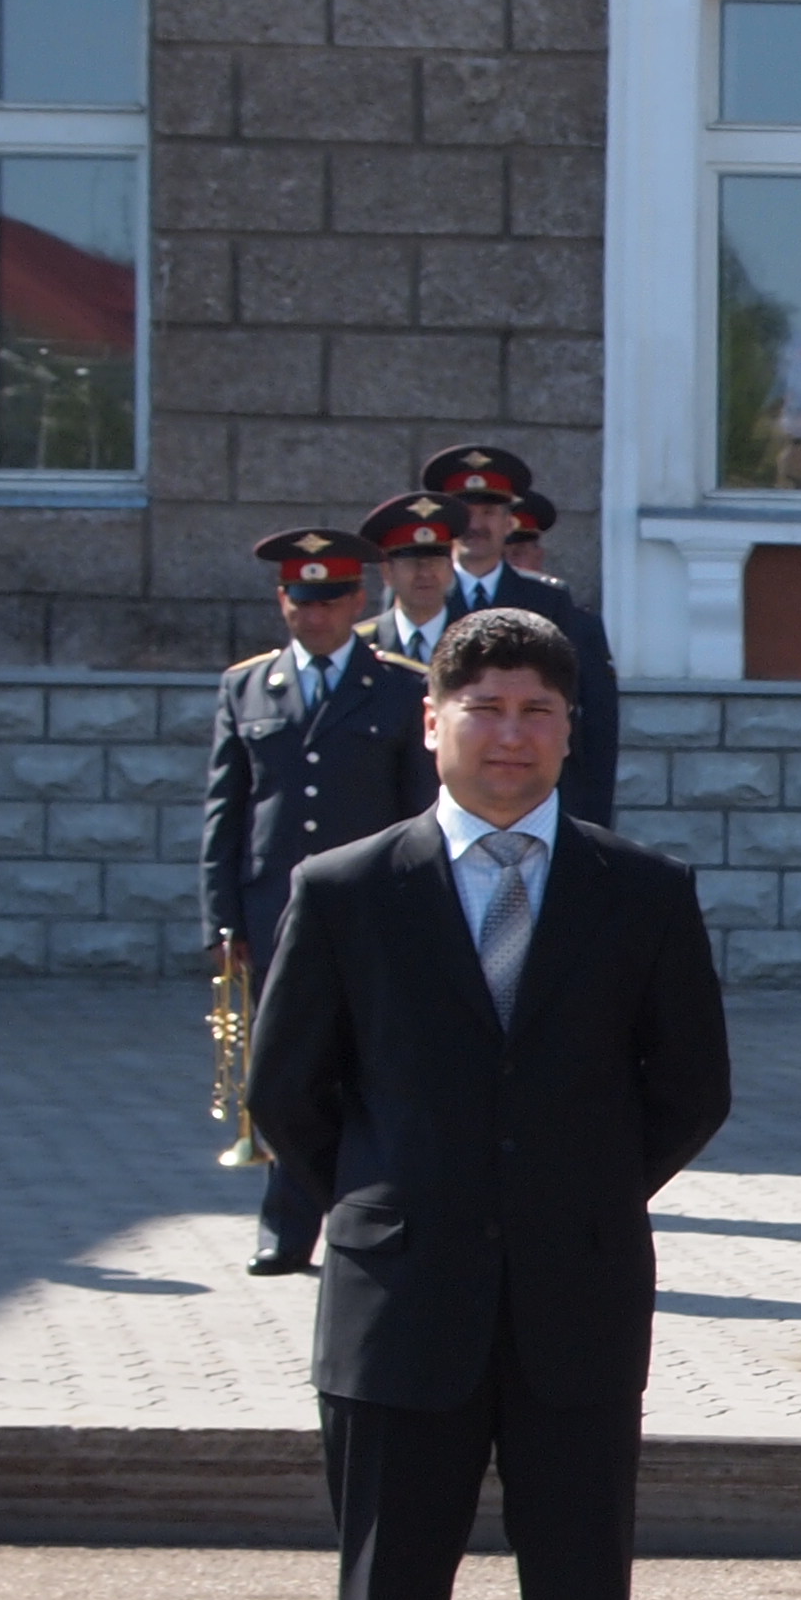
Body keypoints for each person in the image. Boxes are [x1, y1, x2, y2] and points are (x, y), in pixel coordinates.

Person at [246, 606, 735, 1600]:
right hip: (405, 1305)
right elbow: (290, 1092)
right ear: (434, 724)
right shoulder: (348, 890)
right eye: (486, 710)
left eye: (537, 712)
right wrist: (399, 1198)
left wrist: (574, 1198)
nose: (511, 736)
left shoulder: (641, 892)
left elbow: (688, 1088)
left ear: (568, 730)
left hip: (576, 1302)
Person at [204, 528, 435, 1276]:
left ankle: (369, 1215)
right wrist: (222, 917)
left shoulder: (400, 685)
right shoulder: (247, 685)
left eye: (331, 598)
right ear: (283, 601)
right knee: (284, 1070)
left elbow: (419, 811)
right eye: (302, 599)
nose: (316, 614)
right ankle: (285, 1224)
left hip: (370, 907)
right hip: (275, 908)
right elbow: (226, 812)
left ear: (357, 600)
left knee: (373, 1064)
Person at [422, 447, 622, 828]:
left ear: (509, 522)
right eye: (465, 513)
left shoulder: (548, 601)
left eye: (489, 513)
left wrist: (590, 819)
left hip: (532, 808)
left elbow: (589, 722)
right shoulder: (422, 598)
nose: (475, 525)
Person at [355, 492, 463, 671]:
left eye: (435, 562)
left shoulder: (478, 641)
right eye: (412, 563)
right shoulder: (360, 645)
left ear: (451, 567)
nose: (425, 573)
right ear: (387, 572)